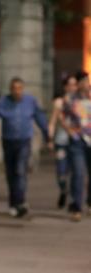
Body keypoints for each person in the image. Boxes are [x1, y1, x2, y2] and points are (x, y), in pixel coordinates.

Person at [0, 77, 50, 217]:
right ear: (10, 90)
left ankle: (20, 201)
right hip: (8, 141)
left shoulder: (30, 102)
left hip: (24, 141)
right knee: (11, 173)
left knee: (20, 171)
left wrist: (47, 135)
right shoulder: (3, 102)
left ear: (23, 89)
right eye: (14, 89)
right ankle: (13, 202)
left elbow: (40, 118)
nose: (17, 92)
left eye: (19, 89)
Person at [61, 70, 91, 220]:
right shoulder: (70, 99)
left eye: (87, 81)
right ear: (78, 84)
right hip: (77, 141)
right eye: (83, 81)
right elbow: (63, 117)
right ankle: (76, 207)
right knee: (78, 173)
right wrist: (70, 131)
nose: (86, 84)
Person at [48, 75, 77, 211]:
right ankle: (63, 189)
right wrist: (50, 138)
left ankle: (74, 198)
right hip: (61, 141)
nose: (72, 87)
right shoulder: (59, 102)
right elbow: (53, 121)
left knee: (77, 171)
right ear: (65, 86)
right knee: (61, 170)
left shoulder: (81, 101)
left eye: (74, 84)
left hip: (77, 141)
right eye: (70, 85)